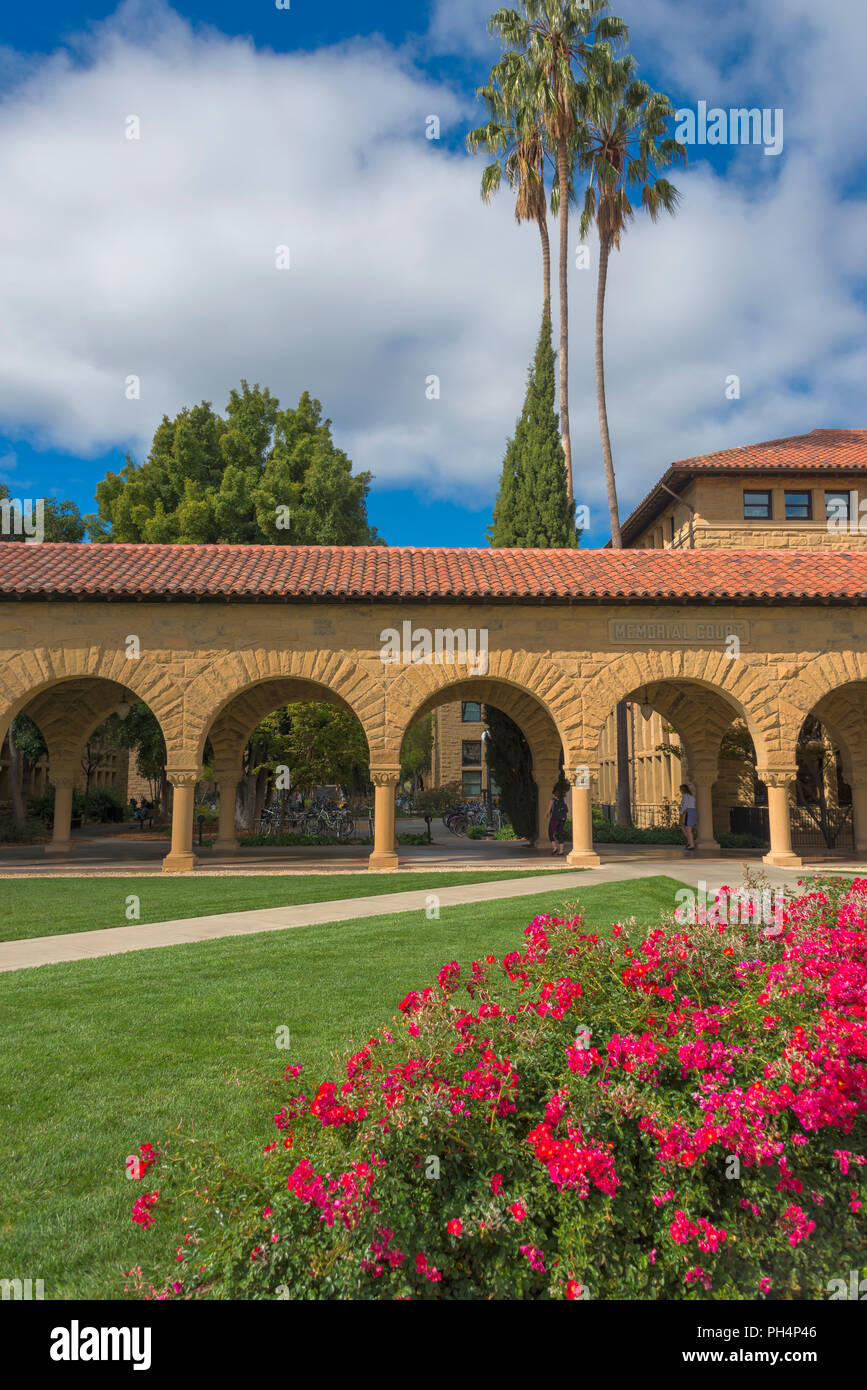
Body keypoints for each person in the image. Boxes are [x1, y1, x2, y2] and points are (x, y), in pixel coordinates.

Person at [547, 786, 568, 856]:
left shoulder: (552, 801)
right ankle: (561, 851)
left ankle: (555, 848)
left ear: (554, 794)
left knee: (550, 833)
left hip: (554, 819)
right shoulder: (562, 801)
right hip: (562, 819)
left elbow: (548, 811)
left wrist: (546, 815)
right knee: (560, 834)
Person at [679, 782, 698, 851]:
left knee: (688, 829)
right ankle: (689, 842)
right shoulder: (691, 796)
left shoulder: (685, 795)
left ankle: (691, 845)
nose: (680, 791)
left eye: (680, 790)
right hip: (692, 811)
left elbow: (685, 805)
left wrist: (681, 812)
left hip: (687, 812)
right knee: (684, 827)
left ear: (682, 790)